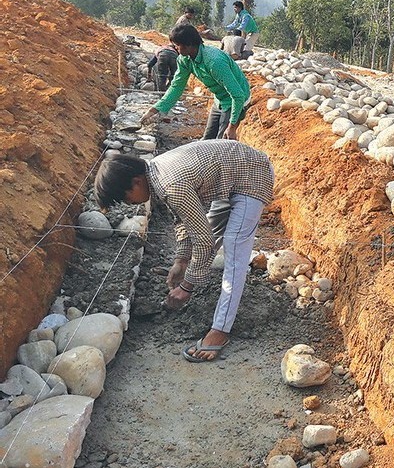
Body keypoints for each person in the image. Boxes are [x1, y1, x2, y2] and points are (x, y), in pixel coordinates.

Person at [93, 140, 275, 362]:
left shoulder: (170, 185)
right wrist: (182, 260)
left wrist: (187, 287)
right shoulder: (156, 173)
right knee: (211, 228)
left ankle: (220, 331)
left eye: (125, 197)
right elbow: (183, 218)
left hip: (252, 175)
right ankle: (217, 316)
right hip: (231, 176)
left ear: (136, 181)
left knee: (234, 253)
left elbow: (204, 240)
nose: (129, 204)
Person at [140, 25, 250, 141]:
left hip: (236, 98)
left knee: (222, 142)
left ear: (189, 44)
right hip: (220, 98)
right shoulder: (185, 59)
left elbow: (238, 95)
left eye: (177, 45)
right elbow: (176, 87)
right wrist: (154, 110)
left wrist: (232, 127)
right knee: (207, 139)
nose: (175, 48)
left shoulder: (214, 62)